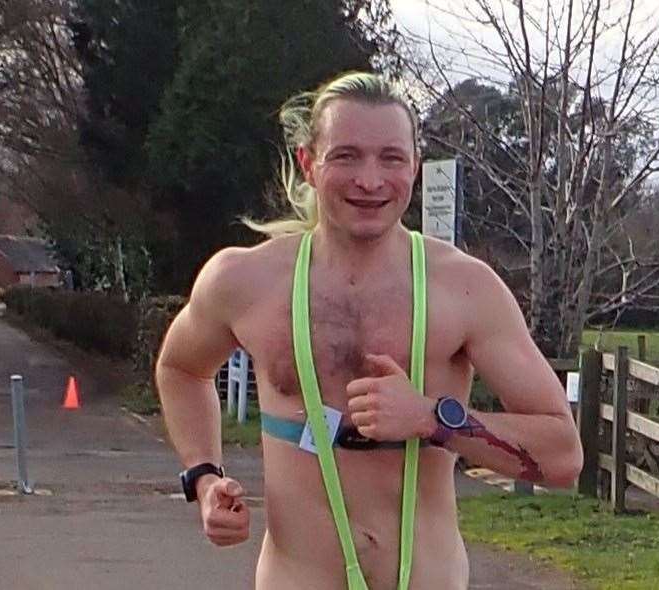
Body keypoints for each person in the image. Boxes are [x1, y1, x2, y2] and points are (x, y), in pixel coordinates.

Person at [155, 71, 583, 590]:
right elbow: (181, 368)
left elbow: (563, 458)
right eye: (346, 156)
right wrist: (204, 478)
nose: (370, 180)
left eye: (391, 159)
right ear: (308, 164)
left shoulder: (466, 289)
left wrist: (431, 418)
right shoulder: (245, 281)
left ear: (415, 168)